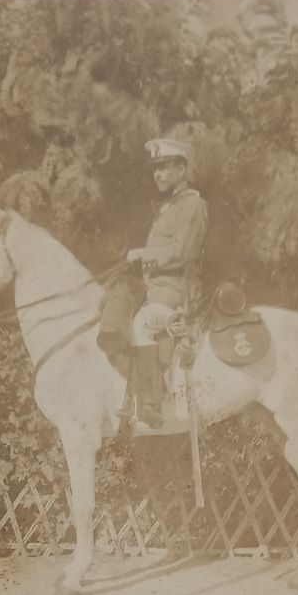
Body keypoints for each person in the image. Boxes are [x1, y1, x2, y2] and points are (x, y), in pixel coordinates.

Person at [126, 138, 208, 427]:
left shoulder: (192, 205)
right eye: (155, 169)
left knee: (141, 325)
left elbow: (182, 253)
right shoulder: (170, 206)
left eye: (163, 167)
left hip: (176, 294)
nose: (157, 175)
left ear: (181, 168)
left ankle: (151, 404)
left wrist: (142, 255)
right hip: (157, 292)